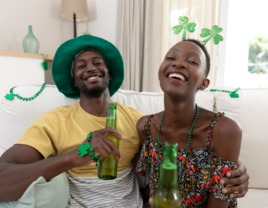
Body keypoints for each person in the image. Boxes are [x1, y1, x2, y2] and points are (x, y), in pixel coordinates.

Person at [0, 35, 248, 207]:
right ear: (74, 80)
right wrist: (75, 155)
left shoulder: (137, 122)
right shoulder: (53, 121)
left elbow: (169, 163)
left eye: (98, 63)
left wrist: (236, 174)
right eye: (80, 65)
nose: (90, 67)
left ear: (109, 73)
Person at [136, 39, 245, 208]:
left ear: (203, 83)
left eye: (192, 61)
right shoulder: (145, 126)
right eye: (171, 58)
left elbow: (220, 201)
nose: (178, 63)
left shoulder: (223, 129)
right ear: (160, 73)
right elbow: (145, 191)